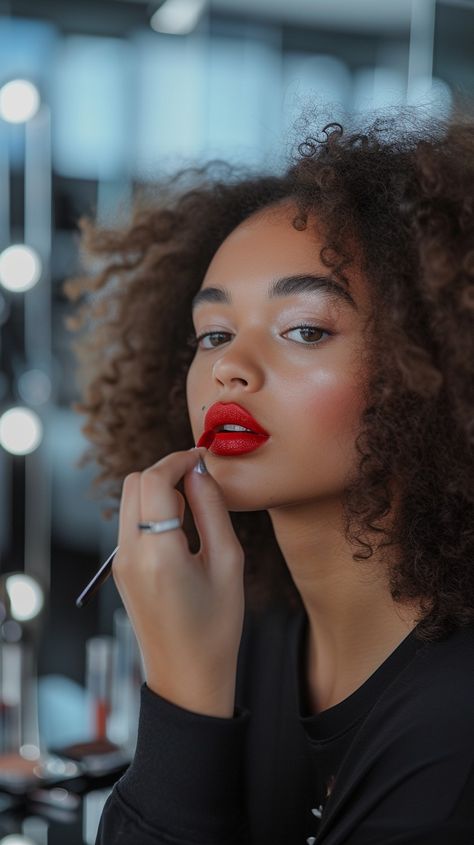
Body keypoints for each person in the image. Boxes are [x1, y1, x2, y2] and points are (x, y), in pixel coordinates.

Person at [64, 111, 474, 845]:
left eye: (305, 328)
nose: (229, 366)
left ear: (434, 364)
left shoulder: (456, 730)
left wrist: (184, 695)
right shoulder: (256, 629)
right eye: (214, 334)